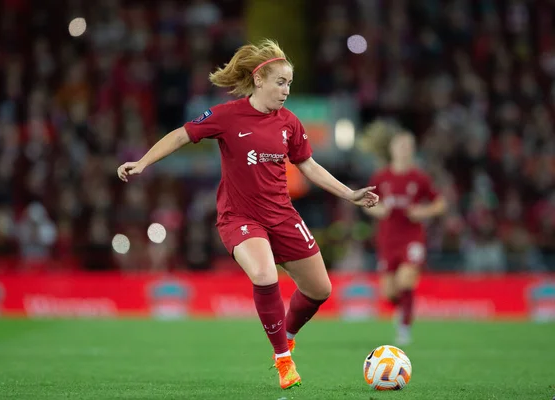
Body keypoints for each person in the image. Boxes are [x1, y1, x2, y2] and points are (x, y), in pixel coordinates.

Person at [117, 39, 379, 390]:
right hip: (240, 217)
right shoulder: (227, 115)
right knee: (264, 273)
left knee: (320, 289)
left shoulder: (290, 123)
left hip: (282, 215)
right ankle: (283, 359)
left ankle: (286, 333)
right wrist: (143, 162)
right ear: (259, 81)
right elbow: (182, 135)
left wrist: (350, 194)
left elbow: (309, 167)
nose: (286, 90)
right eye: (280, 82)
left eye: (289, 84)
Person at [364, 131, 446, 345]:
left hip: (412, 238)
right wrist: (378, 210)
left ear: (412, 150)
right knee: (390, 292)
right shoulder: (381, 178)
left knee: (406, 279)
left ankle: (404, 328)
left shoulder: (419, 178)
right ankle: (403, 311)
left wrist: (423, 212)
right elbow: (367, 203)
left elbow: (440, 204)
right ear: (392, 149)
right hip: (387, 240)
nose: (404, 150)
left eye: (408, 146)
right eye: (400, 146)